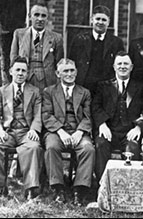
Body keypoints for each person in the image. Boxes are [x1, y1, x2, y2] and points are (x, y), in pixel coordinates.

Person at [92, 51, 143, 182]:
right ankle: (102, 186)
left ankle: (130, 185)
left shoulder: (141, 87)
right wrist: (102, 125)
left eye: (126, 63)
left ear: (131, 67)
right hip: (109, 130)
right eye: (119, 63)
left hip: (129, 131)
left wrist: (138, 127)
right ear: (114, 67)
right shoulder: (103, 86)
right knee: (100, 144)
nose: (122, 66)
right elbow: (96, 107)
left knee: (133, 147)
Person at [42, 58, 95, 206]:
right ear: (58, 73)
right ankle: (58, 188)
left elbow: (88, 116)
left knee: (88, 149)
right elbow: (46, 115)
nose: (69, 74)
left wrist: (79, 132)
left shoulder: (84, 92)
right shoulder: (49, 92)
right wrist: (61, 132)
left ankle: (79, 189)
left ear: (76, 72)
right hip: (56, 132)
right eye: (65, 71)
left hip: (78, 130)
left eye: (72, 70)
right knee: (51, 147)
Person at [0, 56, 43, 200]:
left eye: (23, 71)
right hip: (8, 132)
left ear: (28, 73)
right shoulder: (2, 91)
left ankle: (31, 189)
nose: (20, 73)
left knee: (33, 147)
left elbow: (37, 114)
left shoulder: (34, 91)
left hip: (26, 132)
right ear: (11, 71)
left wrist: (34, 129)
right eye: (17, 70)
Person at [69, 5, 124, 97]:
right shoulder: (79, 39)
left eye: (104, 20)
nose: (100, 22)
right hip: (83, 86)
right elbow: (71, 63)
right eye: (97, 19)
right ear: (92, 20)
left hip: (106, 90)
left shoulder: (116, 42)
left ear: (108, 22)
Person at [10, 0, 64, 92]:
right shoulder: (19, 34)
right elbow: (13, 59)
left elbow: (59, 64)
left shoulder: (56, 38)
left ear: (47, 18)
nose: (40, 19)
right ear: (30, 16)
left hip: (46, 82)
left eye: (43, 16)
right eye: (36, 15)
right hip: (24, 78)